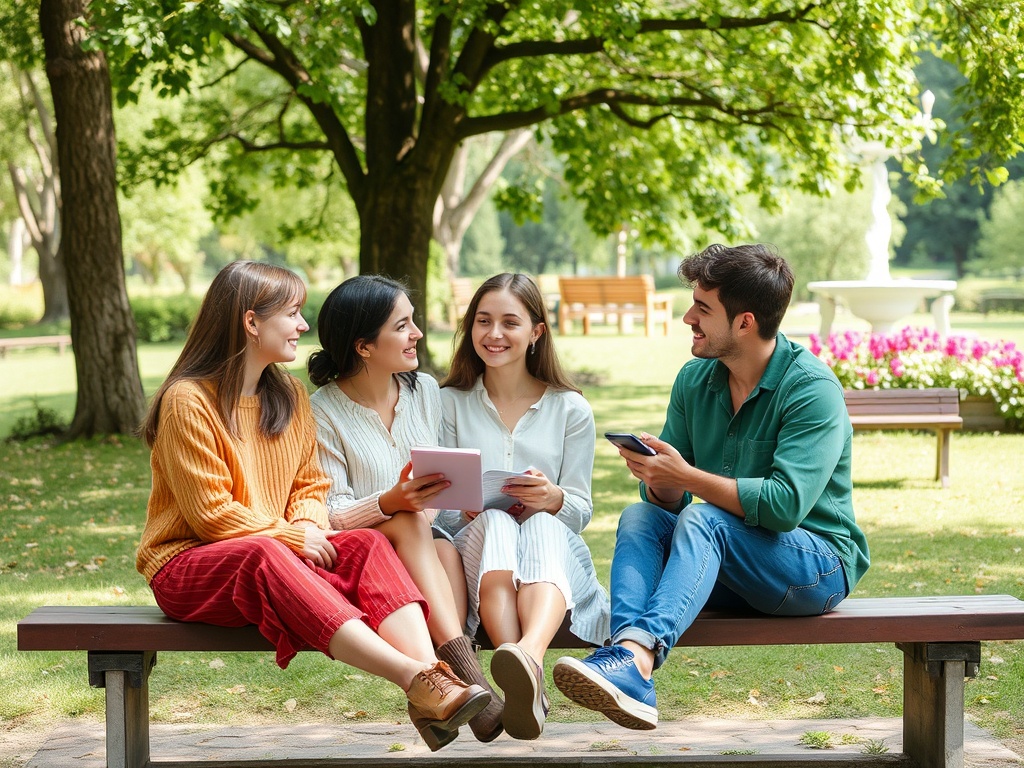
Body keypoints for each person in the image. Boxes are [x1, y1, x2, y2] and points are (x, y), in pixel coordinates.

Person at [135, 261, 489, 752]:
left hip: (280, 551)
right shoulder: (188, 401)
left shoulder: (290, 395)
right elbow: (211, 515)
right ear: (251, 322)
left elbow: (310, 485)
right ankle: (418, 678)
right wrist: (293, 537)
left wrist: (305, 528)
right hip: (189, 565)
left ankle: (436, 687)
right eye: (293, 313)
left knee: (365, 542)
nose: (304, 325)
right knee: (266, 553)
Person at [553, 244, 870, 730]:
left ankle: (635, 658)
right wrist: (660, 480)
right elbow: (671, 500)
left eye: (703, 309)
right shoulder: (695, 380)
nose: (687, 318)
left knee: (706, 519)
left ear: (744, 322)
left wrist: (686, 478)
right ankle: (625, 659)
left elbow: (784, 507)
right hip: (729, 566)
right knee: (641, 516)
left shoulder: (811, 389)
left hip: (815, 568)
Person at [307, 275, 504, 743]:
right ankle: (469, 681)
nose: (417, 333)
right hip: (360, 552)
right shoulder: (322, 410)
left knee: (447, 553)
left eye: (413, 322)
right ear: (365, 346)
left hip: (421, 543)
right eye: (403, 326)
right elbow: (329, 510)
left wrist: (459, 501)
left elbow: (434, 487)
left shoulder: (424, 392)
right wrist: (391, 503)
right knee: (415, 525)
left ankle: (433, 703)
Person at [435, 273, 610, 741]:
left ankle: (524, 657)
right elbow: (443, 515)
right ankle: (526, 673)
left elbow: (580, 510)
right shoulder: (448, 403)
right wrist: (467, 507)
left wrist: (553, 499)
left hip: (550, 555)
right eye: (483, 321)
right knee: (495, 519)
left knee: (542, 526)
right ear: (470, 328)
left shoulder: (570, 408)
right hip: (480, 553)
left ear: (536, 331)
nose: (494, 334)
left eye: (510, 322)